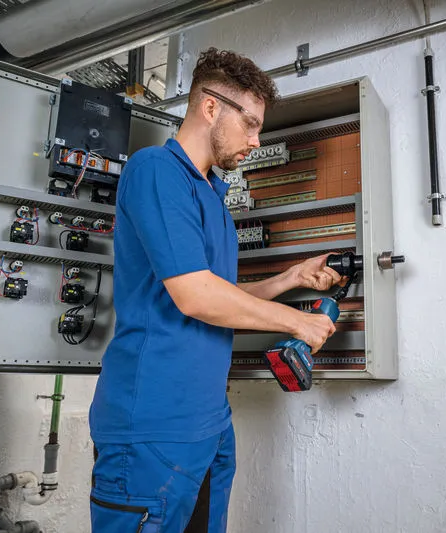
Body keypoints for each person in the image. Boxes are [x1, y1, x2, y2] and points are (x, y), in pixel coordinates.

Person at [88, 47, 344, 533]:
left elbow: (219, 292)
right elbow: (196, 297)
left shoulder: (211, 198)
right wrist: (297, 321)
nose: (256, 139)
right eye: (250, 123)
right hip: (153, 426)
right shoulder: (156, 171)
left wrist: (291, 279)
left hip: (208, 422)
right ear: (210, 108)